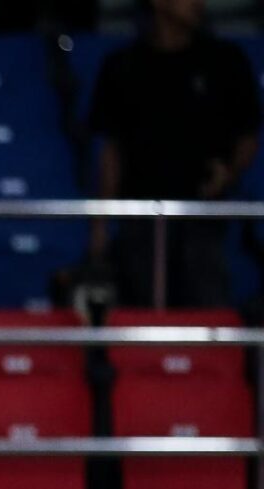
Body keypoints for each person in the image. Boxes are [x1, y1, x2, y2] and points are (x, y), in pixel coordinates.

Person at [89, 0, 260, 306]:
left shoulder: (226, 62)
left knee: (205, 313)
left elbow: (248, 136)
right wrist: (100, 225)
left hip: (203, 217)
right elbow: (111, 153)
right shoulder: (122, 66)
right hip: (139, 218)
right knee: (139, 318)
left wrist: (229, 172)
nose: (198, 3)